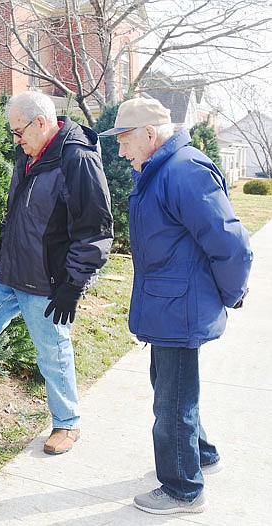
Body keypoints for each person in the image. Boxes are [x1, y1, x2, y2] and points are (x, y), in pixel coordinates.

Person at [0, 91, 113, 455]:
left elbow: (95, 231)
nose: (15, 140)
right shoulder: (29, 154)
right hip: (10, 266)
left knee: (52, 349)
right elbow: (18, 207)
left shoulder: (78, 161)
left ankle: (67, 422)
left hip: (47, 277)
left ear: (42, 123)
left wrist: (74, 284)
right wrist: (2, 245)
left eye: (19, 132)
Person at [100, 97, 253, 514]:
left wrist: (230, 294)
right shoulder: (162, 168)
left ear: (150, 134)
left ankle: (184, 489)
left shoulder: (183, 170)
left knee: (172, 403)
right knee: (173, 390)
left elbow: (232, 245)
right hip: (169, 305)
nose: (120, 151)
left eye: (125, 140)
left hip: (179, 309)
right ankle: (201, 454)